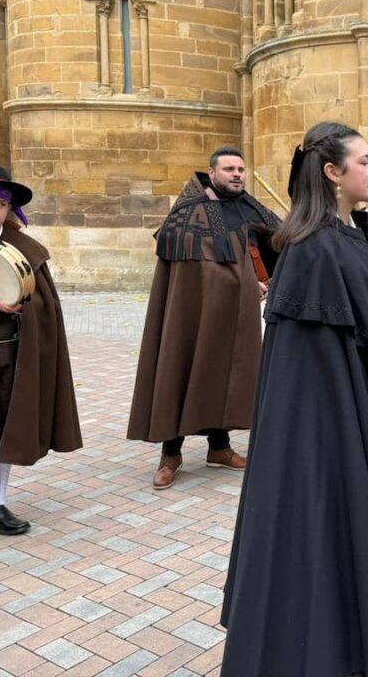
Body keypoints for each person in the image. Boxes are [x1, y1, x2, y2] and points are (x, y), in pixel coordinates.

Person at [220, 122, 368, 676]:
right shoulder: (312, 248)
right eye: (364, 161)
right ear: (333, 173)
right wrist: (345, 434)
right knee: (329, 536)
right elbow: (308, 371)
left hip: (366, 413)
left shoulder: (352, 235)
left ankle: (358, 647)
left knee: (360, 536)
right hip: (333, 430)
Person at [128, 147, 281, 490]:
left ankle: (219, 447)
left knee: (224, 371)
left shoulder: (250, 207)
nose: (237, 174)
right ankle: (171, 454)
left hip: (233, 311)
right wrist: (244, 281)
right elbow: (192, 268)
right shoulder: (188, 212)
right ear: (212, 173)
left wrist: (266, 277)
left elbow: (275, 243)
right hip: (191, 312)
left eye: (241, 168)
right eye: (229, 169)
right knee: (180, 368)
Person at [0, 165, 81, 551]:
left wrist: (23, 305)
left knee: (7, 428)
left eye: (1, 204)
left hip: (14, 353)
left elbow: (46, 305)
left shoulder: (23, 249)